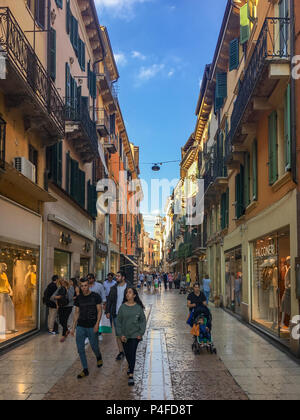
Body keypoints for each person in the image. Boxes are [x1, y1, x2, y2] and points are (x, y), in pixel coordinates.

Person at [70, 278, 103, 379]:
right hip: (81, 326)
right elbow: (76, 313)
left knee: (94, 346)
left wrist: (97, 324)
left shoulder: (95, 296)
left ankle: (98, 356)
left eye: (86, 285)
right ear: (80, 286)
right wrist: (73, 327)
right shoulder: (79, 298)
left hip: (92, 326)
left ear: (89, 285)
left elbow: (99, 311)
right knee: (80, 349)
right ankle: (85, 369)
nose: (84, 288)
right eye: (82, 286)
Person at [116, 287, 146, 386]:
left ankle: (131, 375)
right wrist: (120, 335)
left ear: (134, 295)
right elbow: (119, 322)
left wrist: (140, 333)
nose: (127, 294)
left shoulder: (138, 308)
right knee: (128, 354)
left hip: (135, 335)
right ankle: (130, 367)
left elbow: (142, 321)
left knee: (132, 353)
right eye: (126, 293)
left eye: (129, 292)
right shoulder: (122, 307)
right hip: (125, 335)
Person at [105, 271, 129, 361]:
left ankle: (127, 350)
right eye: (116, 276)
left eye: (118, 276)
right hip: (116, 314)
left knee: (126, 333)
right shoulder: (113, 288)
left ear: (123, 277)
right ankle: (121, 352)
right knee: (118, 334)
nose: (116, 278)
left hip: (127, 314)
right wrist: (107, 311)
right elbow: (109, 300)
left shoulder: (129, 287)